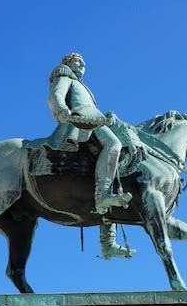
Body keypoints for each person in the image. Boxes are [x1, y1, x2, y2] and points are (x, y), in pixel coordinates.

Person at [48, 52, 136, 258]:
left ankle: (108, 243)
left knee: (115, 169)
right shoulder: (64, 77)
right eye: (77, 62)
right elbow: (55, 96)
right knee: (113, 144)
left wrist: (108, 116)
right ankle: (102, 195)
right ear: (67, 62)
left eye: (83, 64)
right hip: (81, 120)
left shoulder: (80, 84)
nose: (82, 66)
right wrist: (60, 110)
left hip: (94, 118)